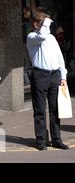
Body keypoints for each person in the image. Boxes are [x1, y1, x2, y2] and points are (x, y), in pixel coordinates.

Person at [26, 12, 69, 150]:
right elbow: (42, 35)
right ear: (36, 24)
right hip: (40, 75)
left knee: (55, 110)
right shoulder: (32, 36)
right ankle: (41, 141)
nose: (48, 26)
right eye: (44, 23)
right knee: (39, 110)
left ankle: (57, 139)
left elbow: (59, 57)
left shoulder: (51, 38)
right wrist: (45, 23)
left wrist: (63, 76)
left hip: (54, 75)